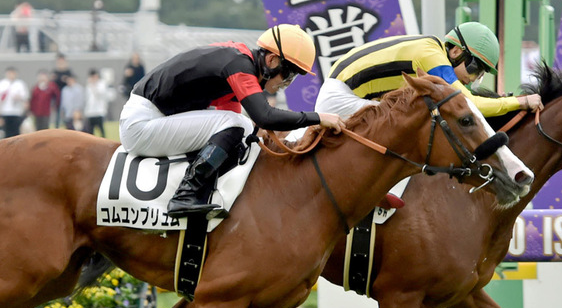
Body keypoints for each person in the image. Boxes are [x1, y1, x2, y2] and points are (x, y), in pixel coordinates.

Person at [120, 23, 345, 218]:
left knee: (241, 126)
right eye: (288, 74)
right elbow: (263, 116)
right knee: (241, 124)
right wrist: (318, 118)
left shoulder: (238, 61)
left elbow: (240, 121)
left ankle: (201, 190)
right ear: (272, 60)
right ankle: (186, 194)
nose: (287, 82)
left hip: (152, 118)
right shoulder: (239, 65)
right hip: (142, 123)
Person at [315, 21, 543, 121]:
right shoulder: (432, 58)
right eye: (474, 68)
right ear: (455, 52)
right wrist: (521, 102)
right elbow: (470, 105)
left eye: (480, 74)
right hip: (339, 98)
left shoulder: (431, 49)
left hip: (345, 90)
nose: (473, 79)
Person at [0, 66, 29, 139]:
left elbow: (25, 99)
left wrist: (19, 98)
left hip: (16, 112)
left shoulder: (20, 84)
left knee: (16, 133)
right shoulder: (1, 84)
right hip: (5, 112)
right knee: (6, 133)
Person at [84, 68, 113, 138]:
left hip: (99, 111)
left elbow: (100, 94)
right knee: (90, 132)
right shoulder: (88, 85)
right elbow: (87, 98)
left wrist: (94, 85)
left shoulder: (101, 84)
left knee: (101, 131)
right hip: (90, 112)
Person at [51, 53, 74, 127]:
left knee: (68, 116)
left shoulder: (68, 72)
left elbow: (71, 82)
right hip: (57, 97)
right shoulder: (55, 72)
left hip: (67, 98)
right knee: (58, 116)